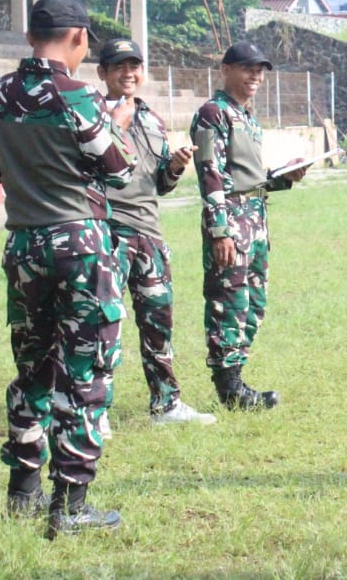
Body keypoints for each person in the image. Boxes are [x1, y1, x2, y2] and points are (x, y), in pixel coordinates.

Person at [0, 0, 136, 537]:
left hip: (23, 248)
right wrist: (114, 121)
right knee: (84, 373)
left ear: (29, 38)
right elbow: (116, 170)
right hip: (80, 249)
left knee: (33, 369)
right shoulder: (76, 95)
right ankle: (70, 505)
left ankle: (23, 489)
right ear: (79, 39)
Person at [96, 38, 217, 427]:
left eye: (134, 66)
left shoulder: (151, 119)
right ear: (103, 73)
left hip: (149, 234)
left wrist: (178, 164)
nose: (128, 74)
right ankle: (94, 411)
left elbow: (161, 184)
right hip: (108, 231)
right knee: (102, 325)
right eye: (118, 67)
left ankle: (166, 405)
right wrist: (114, 125)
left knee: (158, 322)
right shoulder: (91, 115)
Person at [190, 41, 309, 410]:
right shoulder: (213, 114)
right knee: (228, 303)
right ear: (226, 70)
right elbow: (210, 175)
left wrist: (286, 177)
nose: (255, 76)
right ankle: (230, 388)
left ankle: (237, 378)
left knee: (252, 304)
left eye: (260, 71)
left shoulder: (247, 116)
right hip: (232, 222)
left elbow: (248, 177)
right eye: (247, 68)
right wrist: (220, 231)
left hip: (255, 219)